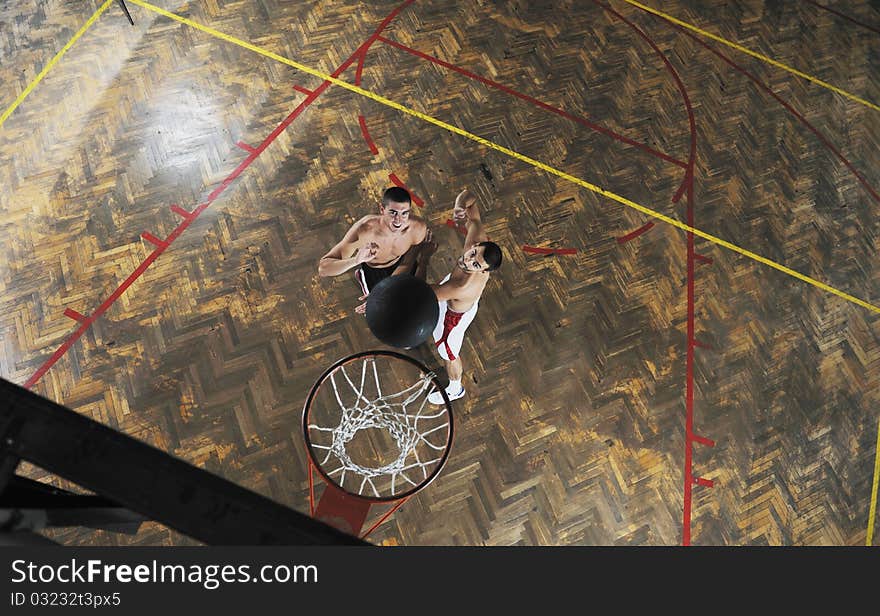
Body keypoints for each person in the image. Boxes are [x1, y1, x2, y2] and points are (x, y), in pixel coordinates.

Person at [420, 189, 502, 404]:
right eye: (473, 253)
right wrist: (458, 205)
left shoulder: (460, 285)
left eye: (476, 264)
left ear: (483, 271)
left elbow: (421, 294)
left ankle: (455, 388)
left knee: (448, 353)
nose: (468, 261)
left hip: (452, 318)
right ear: (476, 244)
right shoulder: (477, 238)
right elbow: (471, 197)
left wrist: (420, 258)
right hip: (455, 299)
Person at [318, 186, 430, 313]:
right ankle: (363, 275)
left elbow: (408, 262)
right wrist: (355, 261)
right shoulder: (365, 230)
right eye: (393, 213)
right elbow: (323, 269)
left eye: (404, 213)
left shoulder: (417, 228)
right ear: (382, 209)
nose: (398, 220)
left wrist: (385, 292)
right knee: (381, 312)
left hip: (402, 263)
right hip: (375, 271)